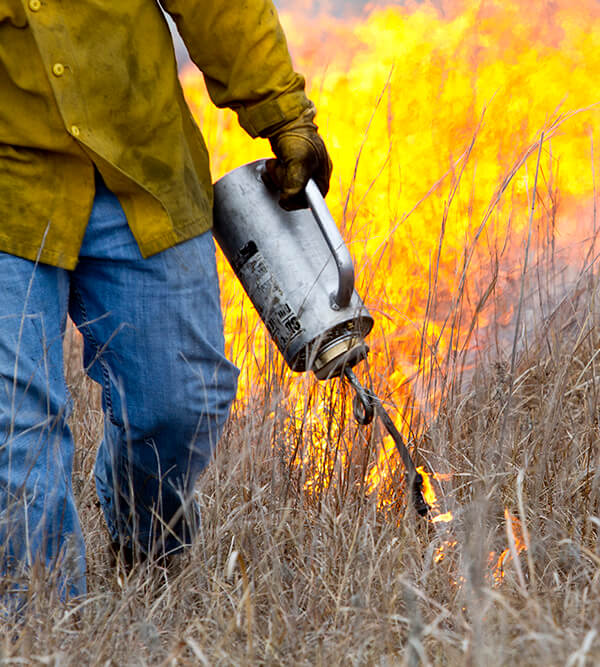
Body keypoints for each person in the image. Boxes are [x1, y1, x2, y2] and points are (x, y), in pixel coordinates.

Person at [0, 0, 331, 598]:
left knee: (181, 401)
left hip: (143, 166)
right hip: (9, 183)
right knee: (16, 433)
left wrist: (284, 116)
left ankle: (147, 557)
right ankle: (45, 632)